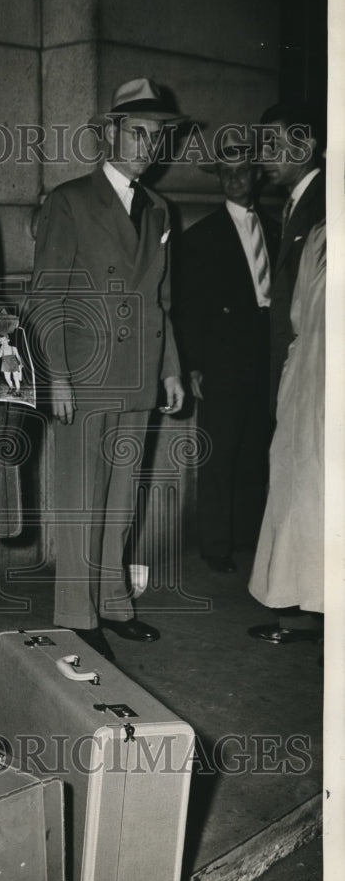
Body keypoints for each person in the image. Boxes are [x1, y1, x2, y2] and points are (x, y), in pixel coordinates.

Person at [27, 77, 186, 661]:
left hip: (140, 373)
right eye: (139, 133)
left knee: (121, 502)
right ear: (110, 133)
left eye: (158, 137)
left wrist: (170, 368)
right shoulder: (69, 200)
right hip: (87, 374)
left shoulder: (161, 209)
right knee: (81, 501)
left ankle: (114, 603)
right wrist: (58, 375)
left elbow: (160, 299)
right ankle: (75, 614)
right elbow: (46, 296)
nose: (148, 146)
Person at [178, 132, 279, 574]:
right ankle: (216, 544)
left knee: (257, 446)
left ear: (257, 174)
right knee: (219, 450)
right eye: (227, 171)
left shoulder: (276, 229)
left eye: (243, 170)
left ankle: (248, 535)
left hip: (267, 352)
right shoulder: (202, 236)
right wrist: (193, 364)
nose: (235, 179)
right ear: (219, 177)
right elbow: (187, 306)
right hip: (221, 356)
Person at [247, 220, 325, 644]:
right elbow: (298, 313)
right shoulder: (320, 235)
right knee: (302, 495)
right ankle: (305, 611)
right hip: (311, 378)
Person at [258, 102, 325, 417]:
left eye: (275, 145)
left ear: (306, 146)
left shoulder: (325, 206)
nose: (265, 156)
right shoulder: (293, 206)